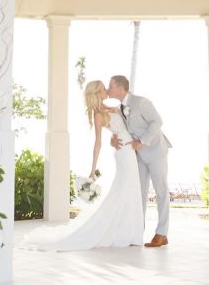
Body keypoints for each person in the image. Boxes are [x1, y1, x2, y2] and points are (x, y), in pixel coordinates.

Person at [28, 80, 144, 251]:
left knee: (130, 190)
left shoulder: (111, 108)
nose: (106, 89)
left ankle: (130, 233)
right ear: (97, 93)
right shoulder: (98, 115)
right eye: (103, 88)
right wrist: (92, 169)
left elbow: (128, 112)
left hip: (128, 152)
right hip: (124, 154)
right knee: (125, 190)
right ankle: (124, 233)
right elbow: (97, 143)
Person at [108, 74, 171, 247]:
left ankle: (162, 233)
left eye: (111, 86)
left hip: (156, 151)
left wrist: (141, 141)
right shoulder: (120, 108)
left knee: (161, 191)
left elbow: (157, 122)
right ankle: (137, 232)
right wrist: (113, 140)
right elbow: (121, 130)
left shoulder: (141, 102)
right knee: (139, 194)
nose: (108, 89)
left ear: (121, 88)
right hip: (139, 156)